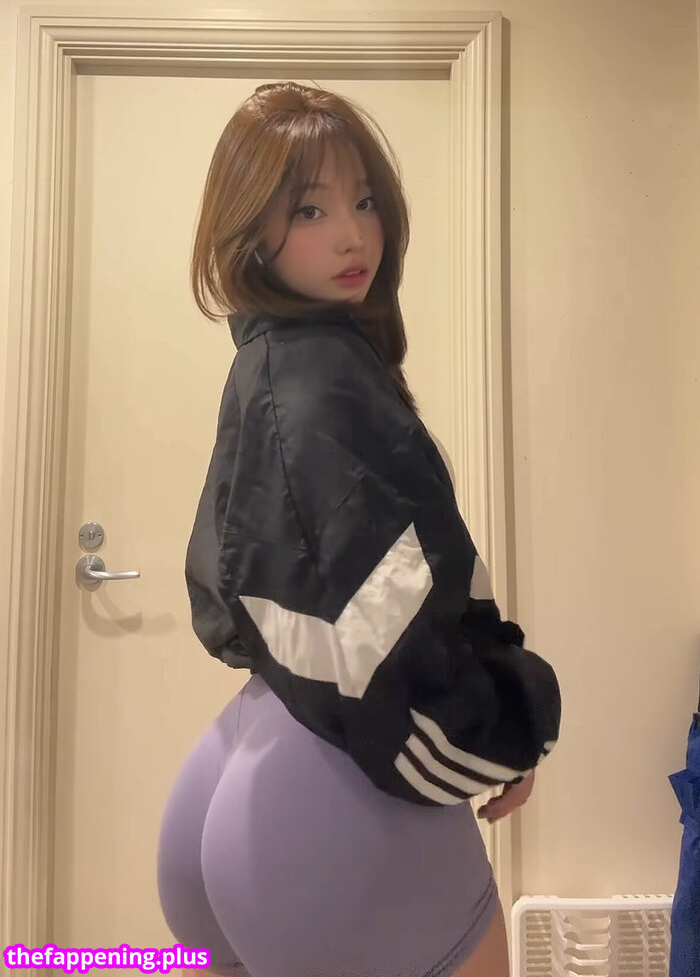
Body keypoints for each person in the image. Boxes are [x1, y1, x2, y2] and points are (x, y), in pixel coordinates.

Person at [156, 81, 561, 977]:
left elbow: (244, 596)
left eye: (366, 202)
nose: (353, 236)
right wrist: (506, 729)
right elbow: (384, 652)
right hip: (337, 802)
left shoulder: (267, 362)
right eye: (310, 210)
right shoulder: (321, 382)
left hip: (250, 762)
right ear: (249, 230)